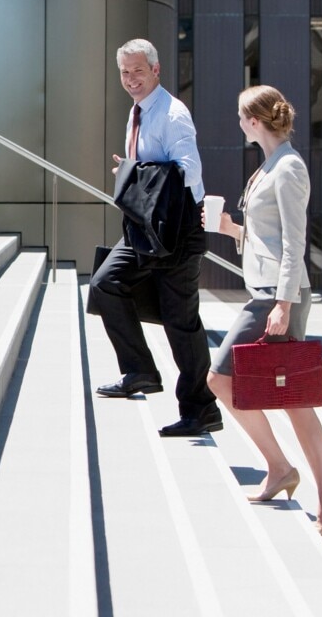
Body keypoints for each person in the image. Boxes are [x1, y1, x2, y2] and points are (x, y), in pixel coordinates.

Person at [206, 84, 322, 536]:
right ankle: (307, 482)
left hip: (276, 296)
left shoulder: (288, 167)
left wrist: (284, 304)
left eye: (240, 115)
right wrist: (233, 229)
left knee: (221, 378)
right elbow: (268, 237)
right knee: (291, 399)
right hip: (269, 291)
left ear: (254, 121)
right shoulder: (269, 165)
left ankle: (295, 474)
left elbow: (294, 243)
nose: (237, 122)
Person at [91, 38, 220, 437]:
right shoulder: (137, 112)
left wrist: (134, 174)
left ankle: (201, 409)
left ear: (156, 70)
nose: (130, 80)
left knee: (180, 322)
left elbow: (188, 173)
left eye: (138, 72)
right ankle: (140, 370)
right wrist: (132, 173)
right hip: (144, 227)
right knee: (105, 283)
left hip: (177, 231)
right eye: (125, 73)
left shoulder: (172, 113)